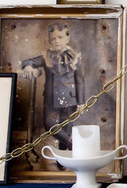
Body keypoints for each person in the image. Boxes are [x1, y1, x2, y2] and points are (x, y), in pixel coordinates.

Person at [22, 23, 85, 152]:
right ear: (49, 40)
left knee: (66, 129)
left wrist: (81, 102)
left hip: (70, 99)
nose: (56, 41)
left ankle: (62, 158)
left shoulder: (74, 57)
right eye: (53, 38)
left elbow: (80, 80)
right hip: (51, 99)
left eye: (60, 37)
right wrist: (28, 66)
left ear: (67, 39)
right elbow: (29, 61)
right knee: (50, 126)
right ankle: (74, 147)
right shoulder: (46, 56)